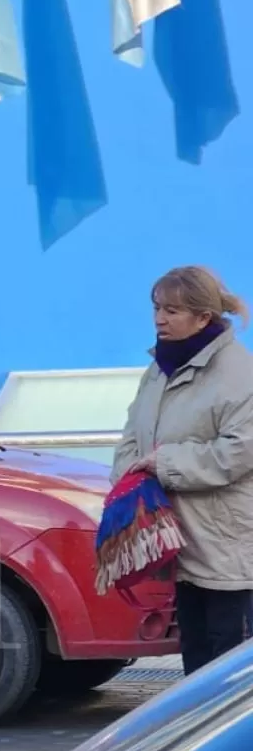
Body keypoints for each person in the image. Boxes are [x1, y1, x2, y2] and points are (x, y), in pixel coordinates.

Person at [115, 265, 253, 675]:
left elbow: (237, 452)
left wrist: (163, 464)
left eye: (172, 310)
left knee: (228, 667)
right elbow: (131, 435)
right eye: (157, 308)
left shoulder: (239, 375)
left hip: (228, 548)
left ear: (204, 317)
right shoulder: (159, 368)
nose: (160, 319)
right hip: (180, 541)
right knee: (194, 661)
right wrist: (130, 477)